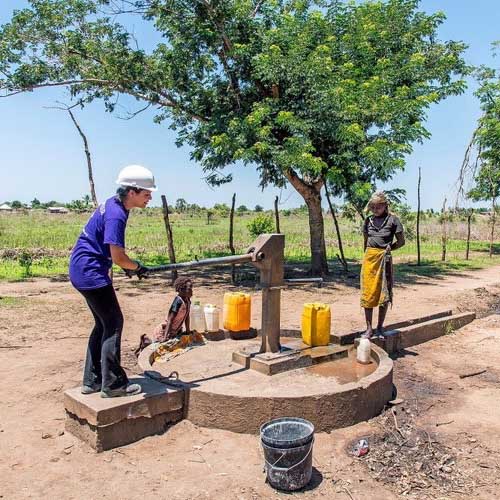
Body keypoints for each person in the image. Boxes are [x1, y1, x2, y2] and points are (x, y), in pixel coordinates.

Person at [69, 164, 156, 397]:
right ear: (132, 191)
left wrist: (129, 266)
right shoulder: (117, 214)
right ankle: (113, 385)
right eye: (147, 194)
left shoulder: (113, 204)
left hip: (82, 269)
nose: (150, 198)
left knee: (103, 323)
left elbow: (109, 252)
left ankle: (92, 381)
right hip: (91, 273)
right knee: (114, 323)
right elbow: (118, 257)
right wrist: (136, 266)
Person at [360, 191, 405, 339]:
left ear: (385, 206)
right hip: (369, 260)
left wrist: (389, 248)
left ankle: (379, 328)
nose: (375, 209)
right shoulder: (368, 221)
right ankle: (369, 329)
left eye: (378, 206)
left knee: (383, 293)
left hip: (384, 259)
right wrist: (367, 256)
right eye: (372, 207)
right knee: (368, 293)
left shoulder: (393, 220)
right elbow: (365, 242)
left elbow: (401, 242)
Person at [135, 277, 194, 356]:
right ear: (181, 290)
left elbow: (187, 316)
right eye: (189, 289)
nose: (192, 291)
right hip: (165, 331)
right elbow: (170, 320)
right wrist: (165, 337)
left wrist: (188, 331)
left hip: (175, 330)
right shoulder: (178, 302)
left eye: (192, 289)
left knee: (174, 347)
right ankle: (145, 343)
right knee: (160, 348)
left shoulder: (188, 301)